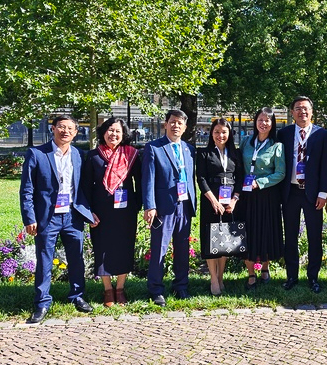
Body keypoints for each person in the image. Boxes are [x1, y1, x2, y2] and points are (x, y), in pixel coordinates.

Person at [20, 115, 95, 323]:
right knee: (45, 259)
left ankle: (77, 296)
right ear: (53, 129)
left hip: (72, 215)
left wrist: (88, 212)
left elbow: (83, 188)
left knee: (77, 258)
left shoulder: (79, 155)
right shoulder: (37, 154)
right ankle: (42, 302)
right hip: (47, 216)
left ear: (76, 132)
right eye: (61, 127)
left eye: (70, 128)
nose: (65, 131)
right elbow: (27, 189)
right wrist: (29, 217)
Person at [81, 117, 142, 307]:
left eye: (117, 131)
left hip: (126, 211)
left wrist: (137, 206)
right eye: (110, 130)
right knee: (102, 248)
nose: (113, 134)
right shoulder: (94, 156)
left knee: (124, 247)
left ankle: (120, 288)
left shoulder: (132, 155)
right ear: (104, 132)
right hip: (100, 212)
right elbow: (85, 187)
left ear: (123, 134)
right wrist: (89, 212)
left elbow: (140, 183)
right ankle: (108, 290)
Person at [142, 109, 197, 307]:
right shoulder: (153, 148)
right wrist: (150, 206)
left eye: (180, 123)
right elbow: (148, 179)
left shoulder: (189, 149)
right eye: (173, 122)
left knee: (182, 248)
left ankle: (181, 285)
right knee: (159, 248)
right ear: (165, 124)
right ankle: (156, 289)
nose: (176, 126)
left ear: (185, 127)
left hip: (184, 204)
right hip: (163, 206)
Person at [277, 96, 327, 293]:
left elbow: (326, 165)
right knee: (290, 236)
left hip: (313, 194)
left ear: (312, 111)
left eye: (306, 108)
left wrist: (323, 193)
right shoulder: (283, 133)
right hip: (290, 192)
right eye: (298, 108)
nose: (302, 112)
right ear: (292, 112)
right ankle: (291, 276)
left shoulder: (321, 134)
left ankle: (313, 277)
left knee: (314, 236)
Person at [196, 118, 244, 296]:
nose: (220, 135)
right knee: (211, 239)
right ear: (211, 133)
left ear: (229, 134)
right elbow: (201, 178)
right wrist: (213, 201)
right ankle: (213, 279)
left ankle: (221, 277)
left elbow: (240, 177)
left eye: (224, 132)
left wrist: (234, 200)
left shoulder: (235, 153)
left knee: (225, 239)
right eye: (216, 132)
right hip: (211, 200)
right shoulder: (203, 153)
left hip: (230, 201)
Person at [239, 108, 286, 290]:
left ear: (272, 123)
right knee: (248, 232)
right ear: (255, 121)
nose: (263, 123)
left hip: (267, 195)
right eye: (260, 119)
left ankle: (265, 268)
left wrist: (260, 183)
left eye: (267, 120)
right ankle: (251, 273)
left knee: (266, 231)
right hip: (246, 195)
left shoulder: (277, 145)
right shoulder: (246, 141)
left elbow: (280, 173)